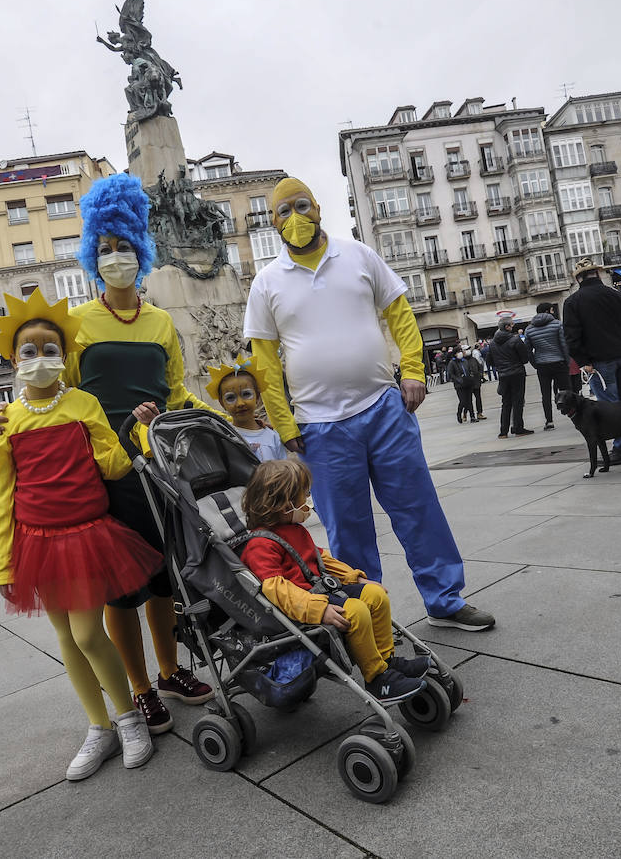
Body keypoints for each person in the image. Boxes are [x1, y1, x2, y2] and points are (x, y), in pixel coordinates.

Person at [0, 173, 217, 733]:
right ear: (93, 255)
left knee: (163, 579)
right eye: (106, 247)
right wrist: (2, 416)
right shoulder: (80, 323)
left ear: (142, 250)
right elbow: (51, 390)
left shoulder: (162, 322)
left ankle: (169, 672)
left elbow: (175, 390)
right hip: (104, 473)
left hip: (157, 465)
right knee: (119, 590)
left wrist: (218, 418)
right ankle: (139, 689)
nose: (116, 257)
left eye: (125, 246)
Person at [242, 176, 494, 632]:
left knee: (418, 508)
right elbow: (264, 362)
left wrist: (413, 370)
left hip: (382, 408)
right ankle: (369, 616)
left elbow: (400, 313)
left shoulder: (358, 255)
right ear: (273, 222)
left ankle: (445, 599)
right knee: (347, 528)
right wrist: (284, 423)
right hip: (318, 426)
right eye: (284, 211)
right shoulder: (266, 283)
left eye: (302, 205)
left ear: (318, 208)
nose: (295, 217)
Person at [0, 290, 160, 780]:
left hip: (85, 535)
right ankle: (99, 727)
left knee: (87, 633)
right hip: (36, 542)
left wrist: (137, 433)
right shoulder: (6, 420)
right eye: (29, 350)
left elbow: (114, 465)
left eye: (49, 349)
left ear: (64, 355)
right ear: (13, 359)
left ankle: (129, 720)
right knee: (66, 637)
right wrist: (3, 563)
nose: (39, 358)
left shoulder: (83, 403)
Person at [239, 459, 428, 704]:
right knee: (356, 611)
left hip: (321, 590)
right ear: (284, 503)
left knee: (376, 596)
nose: (307, 500)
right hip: (302, 606)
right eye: (303, 495)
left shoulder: (294, 529)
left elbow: (321, 559)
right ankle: (377, 678)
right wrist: (317, 609)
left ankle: (387, 661)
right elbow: (276, 588)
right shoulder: (260, 544)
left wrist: (354, 578)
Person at [563, 258, 621, 464]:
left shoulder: (573, 301)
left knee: (609, 406)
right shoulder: (615, 294)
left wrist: (583, 361)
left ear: (579, 279)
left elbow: (572, 336)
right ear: (597, 274)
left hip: (598, 360)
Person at [206, 356, 288, 462]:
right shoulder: (224, 438)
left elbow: (283, 469)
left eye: (246, 394)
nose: (240, 403)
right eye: (230, 398)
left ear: (257, 397)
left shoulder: (273, 436)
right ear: (222, 403)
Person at [524, 302, 572, 430]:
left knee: (545, 394)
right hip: (559, 362)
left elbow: (528, 351)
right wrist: (567, 361)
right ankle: (573, 414)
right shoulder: (557, 324)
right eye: (551, 310)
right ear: (547, 311)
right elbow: (564, 344)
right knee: (566, 390)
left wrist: (535, 363)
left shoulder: (529, 329)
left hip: (542, 364)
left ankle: (549, 421)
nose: (553, 312)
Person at [486, 313, 533, 438]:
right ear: (507, 327)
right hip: (517, 373)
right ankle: (518, 428)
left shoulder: (492, 343)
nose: (512, 327)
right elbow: (524, 358)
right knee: (518, 401)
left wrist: (500, 365)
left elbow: (489, 361)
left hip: (503, 374)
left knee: (506, 402)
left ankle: (503, 431)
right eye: (511, 325)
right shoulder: (515, 339)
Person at [446, 345, 478, 423]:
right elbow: (450, 374)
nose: (460, 353)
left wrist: (471, 376)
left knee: (469, 401)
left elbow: (469, 369)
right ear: (455, 354)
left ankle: (472, 416)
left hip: (468, 383)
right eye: (458, 352)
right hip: (459, 385)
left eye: (461, 351)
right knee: (463, 401)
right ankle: (459, 413)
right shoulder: (452, 363)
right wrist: (458, 379)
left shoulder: (464, 361)